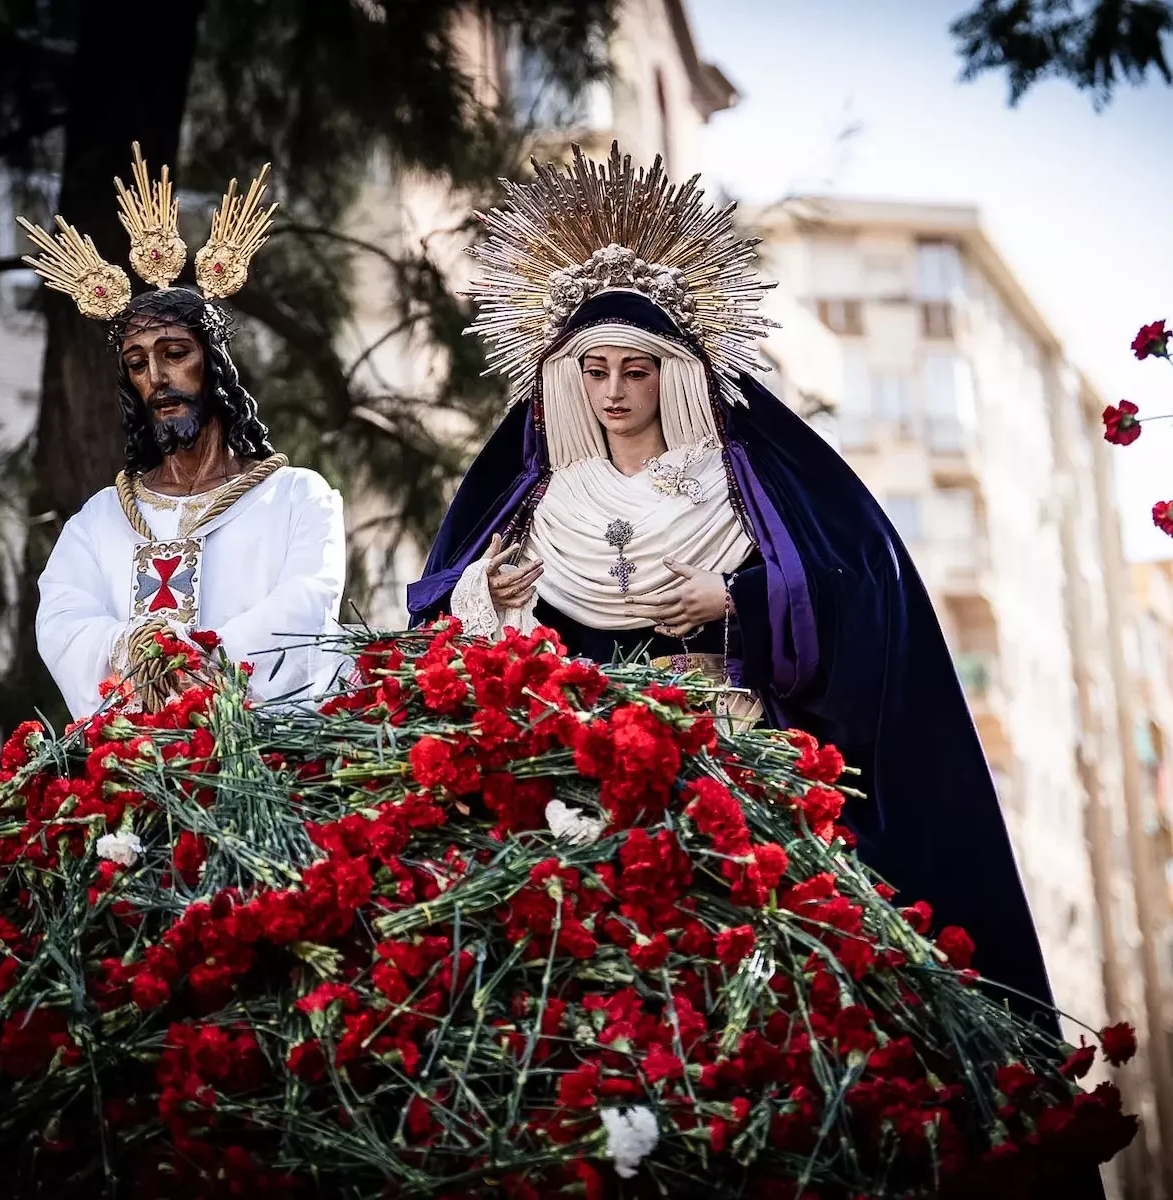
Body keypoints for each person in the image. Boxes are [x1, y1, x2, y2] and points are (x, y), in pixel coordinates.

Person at [409, 143, 1058, 1035]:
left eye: (635, 369)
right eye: (594, 371)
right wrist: (492, 592)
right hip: (580, 788)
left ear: (673, 372)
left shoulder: (741, 480)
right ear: (567, 377)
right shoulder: (541, 501)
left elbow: (867, 596)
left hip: (736, 771)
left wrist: (736, 602)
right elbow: (451, 624)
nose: (613, 392)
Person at [22, 144, 345, 719]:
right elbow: (62, 619)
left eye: (175, 353)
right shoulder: (100, 520)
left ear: (214, 364)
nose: (158, 377)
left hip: (267, 752)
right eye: (138, 363)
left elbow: (307, 603)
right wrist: (136, 653)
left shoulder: (296, 496)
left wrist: (202, 659)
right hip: (138, 762)